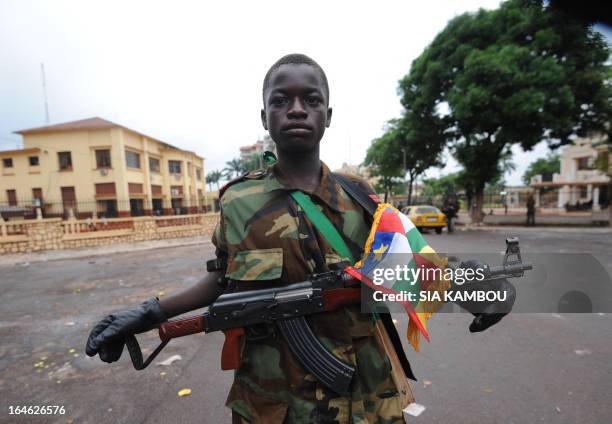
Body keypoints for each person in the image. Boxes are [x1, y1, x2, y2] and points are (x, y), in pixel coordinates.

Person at [85, 54, 513, 423]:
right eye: (280, 100)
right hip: (273, 399)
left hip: (364, 392)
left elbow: (408, 263)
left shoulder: (359, 195)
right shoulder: (238, 201)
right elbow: (221, 281)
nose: (296, 109)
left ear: (328, 115)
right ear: (264, 116)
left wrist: (477, 285)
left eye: (311, 100)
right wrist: (146, 314)